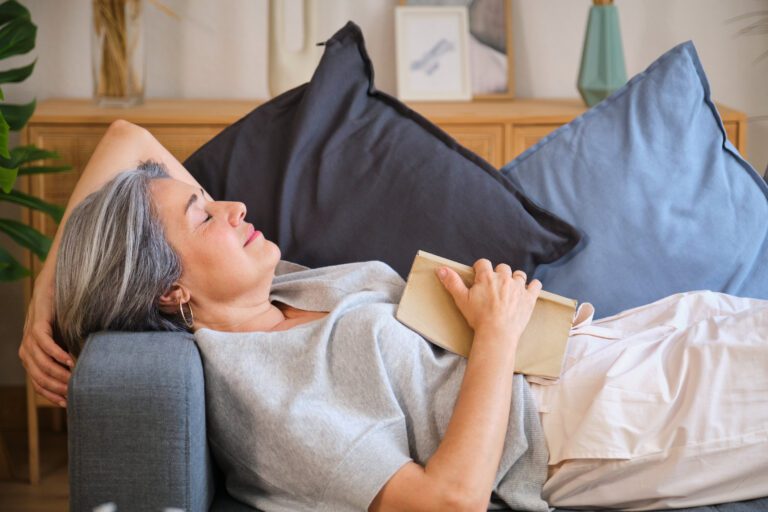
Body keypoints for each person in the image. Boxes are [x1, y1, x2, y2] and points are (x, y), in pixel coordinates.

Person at [19, 120, 768, 511]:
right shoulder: (268, 402)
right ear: (169, 291)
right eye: (205, 212)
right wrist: (498, 337)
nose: (233, 203)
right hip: (595, 421)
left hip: (619, 344)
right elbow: (449, 502)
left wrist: (41, 299)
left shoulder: (283, 293)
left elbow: (128, 140)